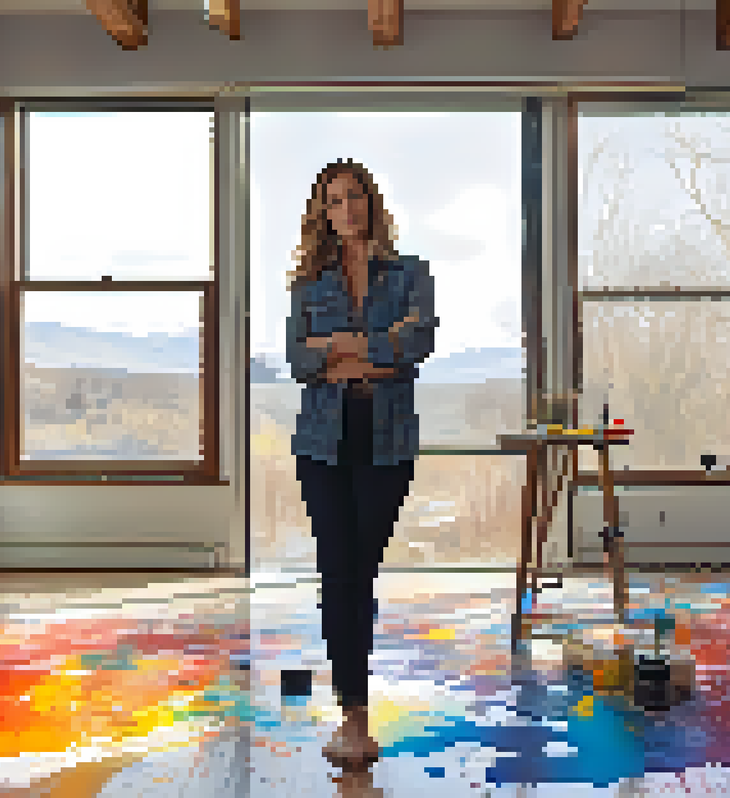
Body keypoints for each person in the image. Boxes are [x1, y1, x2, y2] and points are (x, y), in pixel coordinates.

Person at [285, 159, 437, 770]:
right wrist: (378, 351)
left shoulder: (410, 273)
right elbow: (299, 361)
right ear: (322, 212)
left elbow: (419, 343)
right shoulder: (308, 283)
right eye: (334, 201)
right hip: (322, 442)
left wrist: (342, 351)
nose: (345, 210)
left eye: (355, 198)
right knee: (337, 572)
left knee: (360, 571)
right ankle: (354, 716)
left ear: (371, 203)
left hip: (385, 439)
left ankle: (355, 705)